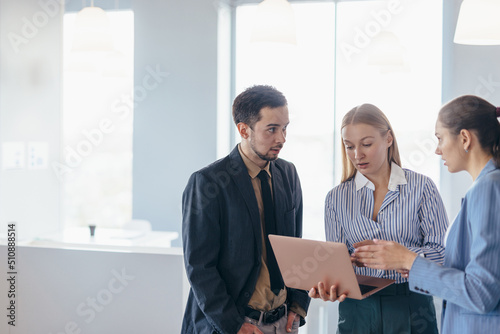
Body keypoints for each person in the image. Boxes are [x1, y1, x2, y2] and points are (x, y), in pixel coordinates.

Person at [354, 95, 500, 333]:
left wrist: (408, 260)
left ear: (464, 138)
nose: (437, 149)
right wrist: (414, 265)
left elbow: (481, 293)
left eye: (440, 138)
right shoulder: (485, 186)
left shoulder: (488, 188)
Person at [309, 104, 449, 333]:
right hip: (357, 311)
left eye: (366, 144)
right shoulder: (336, 198)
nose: (357, 155)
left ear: (388, 139)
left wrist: (405, 258)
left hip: (411, 305)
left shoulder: (422, 188)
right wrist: (327, 284)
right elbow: (336, 260)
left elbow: (443, 253)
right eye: (349, 146)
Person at [181, 85, 310, 334]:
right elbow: (199, 267)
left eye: (284, 128)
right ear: (243, 129)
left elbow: (297, 246)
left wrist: (298, 303)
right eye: (271, 129)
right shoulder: (208, 183)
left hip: (284, 322)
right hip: (235, 324)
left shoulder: (288, 174)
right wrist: (235, 326)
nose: (281, 139)